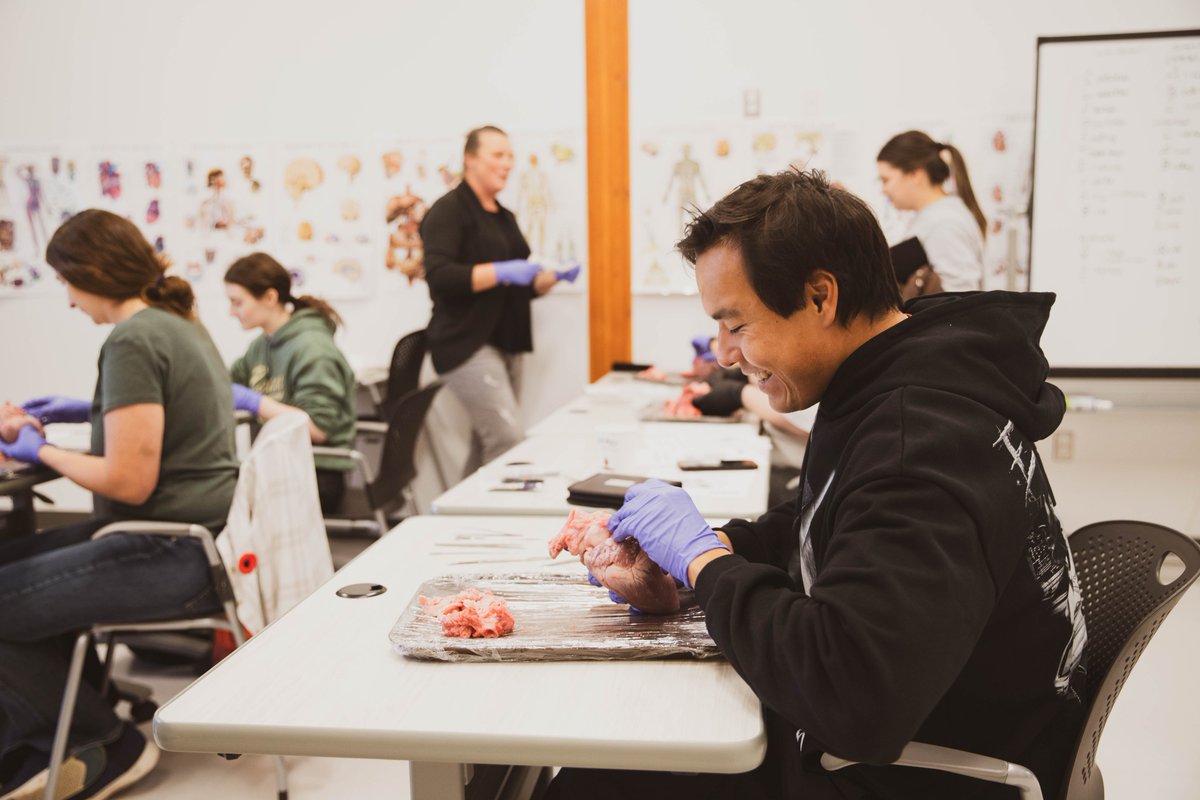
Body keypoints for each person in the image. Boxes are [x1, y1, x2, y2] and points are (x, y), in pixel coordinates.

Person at [546, 170, 1087, 800]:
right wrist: (698, 558)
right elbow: (829, 518)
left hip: (920, 773)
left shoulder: (923, 444)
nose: (723, 353)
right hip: (906, 733)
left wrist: (706, 564)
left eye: (737, 325)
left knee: (601, 776)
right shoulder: (888, 383)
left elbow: (852, 697)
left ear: (820, 297)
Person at [0, 209, 239, 800]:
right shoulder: (176, 321)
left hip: (164, 550)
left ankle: (102, 741)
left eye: (65, 283)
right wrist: (91, 409)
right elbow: (167, 410)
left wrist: (41, 448)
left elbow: (128, 482)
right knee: (14, 573)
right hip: (199, 542)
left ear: (91, 273)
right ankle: (58, 729)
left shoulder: (133, 337)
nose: (68, 301)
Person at [419, 125, 580, 473]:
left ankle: (457, 522)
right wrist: (502, 271)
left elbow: (523, 285)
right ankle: (482, 522)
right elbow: (440, 276)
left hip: (507, 342)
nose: (507, 163)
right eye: (497, 155)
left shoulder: (504, 216)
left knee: (489, 441)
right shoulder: (449, 211)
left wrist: (553, 277)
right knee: (506, 439)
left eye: (510, 156)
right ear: (470, 160)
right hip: (466, 343)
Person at [223, 252, 357, 513]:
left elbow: (318, 428)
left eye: (237, 302)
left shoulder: (312, 348)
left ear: (270, 297)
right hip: (279, 465)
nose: (231, 312)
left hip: (316, 474)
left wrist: (255, 402)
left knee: (216, 502)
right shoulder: (260, 346)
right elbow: (223, 382)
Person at [876, 130, 987, 294]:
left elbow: (961, 296)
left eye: (886, 180)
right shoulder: (934, 217)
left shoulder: (945, 224)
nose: (883, 190)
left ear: (915, 174)